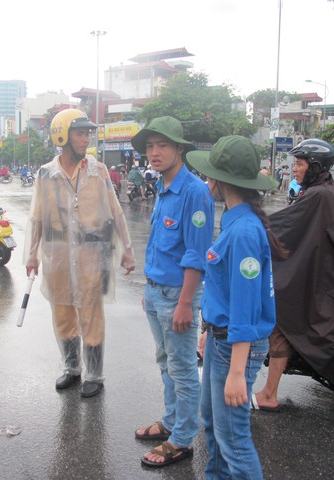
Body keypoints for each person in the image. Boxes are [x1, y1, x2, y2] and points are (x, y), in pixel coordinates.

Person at [187, 135, 287, 479]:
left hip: (235, 347)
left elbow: (244, 307)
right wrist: (208, 331)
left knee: (234, 440)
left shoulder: (243, 230)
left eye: (209, 175)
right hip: (222, 339)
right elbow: (226, 291)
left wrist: (236, 374)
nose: (206, 182)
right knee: (213, 425)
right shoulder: (234, 220)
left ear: (220, 180)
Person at [24, 109, 136, 398]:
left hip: (91, 256)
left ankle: (95, 375)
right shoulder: (46, 174)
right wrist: (32, 254)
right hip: (58, 257)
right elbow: (36, 218)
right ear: (62, 135)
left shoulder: (97, 171)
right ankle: (72, 368)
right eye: (79, 132)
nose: (86, 137)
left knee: (91, 316)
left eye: (88, 132)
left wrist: (128, 250)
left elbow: (116, 211)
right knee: (62, 314)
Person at [252, 138, 334, 411]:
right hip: (329, 270)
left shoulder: (318, 195)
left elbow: (286, 224)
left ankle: (269, 393)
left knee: (281, 317)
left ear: (315, 166)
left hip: (325, 278)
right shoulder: (328, 189)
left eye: (299, 164)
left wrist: (254, 226)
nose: (294, 169)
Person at [131, 116, 215, 468]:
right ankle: (170, 421)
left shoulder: (194, 192)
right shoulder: (164, 186)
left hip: (177, 296)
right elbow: (159, 245)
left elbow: (196, 256)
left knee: (181, 367)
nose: (154, 152)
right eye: (150, 146)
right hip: (156, 292)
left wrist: (184, 304)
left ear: (179, 148)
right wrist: (149, 288)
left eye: (162, 145)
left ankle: (182, 439)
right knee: (166, 362)